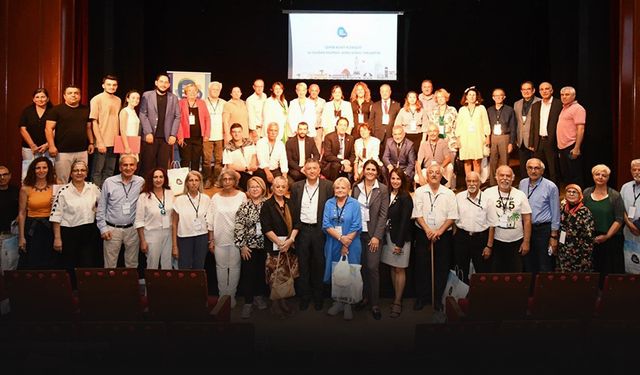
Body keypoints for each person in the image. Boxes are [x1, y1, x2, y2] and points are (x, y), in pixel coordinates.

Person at [411, 163, 457, 311]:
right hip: (423, 233)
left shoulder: (449, 193)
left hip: (443, 235)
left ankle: (438, 298)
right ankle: (421, 298)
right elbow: (417, 213)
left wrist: (439, 231)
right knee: (421, 266)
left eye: (437, 172)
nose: (434, 175)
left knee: (441, 267)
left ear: (441, 175)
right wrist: (428, 230)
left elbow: (452, 216)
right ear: (426, 175)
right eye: (431, 172)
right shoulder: (419, 191)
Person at [290, 158, 334, 311]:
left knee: (319, 265)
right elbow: (293, 211)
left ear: (319, 170)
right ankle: (304, 297)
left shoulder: (328, 186)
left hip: (319, 231)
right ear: (304, 170)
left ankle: (318, 297)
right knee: (303, 265)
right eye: (309, 168)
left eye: (315, 168)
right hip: (302, 230)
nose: (312, 171)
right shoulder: (296, 187)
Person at [50, 160, 100, 284]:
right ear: (71, 173)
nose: (79, 173)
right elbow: (56, 216)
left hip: (89, 232)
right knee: (70, 265)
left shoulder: (93, 188)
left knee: (87, 264)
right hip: (69, 233)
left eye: (82, 170)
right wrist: (57, 238)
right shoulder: (63, 191)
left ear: (87, 173)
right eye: (76, 170)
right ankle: (71, 293)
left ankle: (86, 292)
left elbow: (103, 206)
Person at [352, 160, 388, 320]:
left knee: (373, 268)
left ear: (377, 172)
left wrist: (376, 237)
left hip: (373, 236)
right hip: (357, 235)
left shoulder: (382, 189)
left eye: (373, 169)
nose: (370, 172)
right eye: (368, 169)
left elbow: (383, 215)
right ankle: (364, 298)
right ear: (364, 170)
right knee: (362, 268)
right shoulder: (355, 187)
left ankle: (374, 304)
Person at [323, 177, 362, 320]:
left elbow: (357, 225)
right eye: (337, 188)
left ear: (349, 190)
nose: (340, 190)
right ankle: (338, 302)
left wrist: (346, 243)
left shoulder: (355, 204)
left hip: (352, 243)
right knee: (336, 272)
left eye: (343, 188)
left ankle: (348, 305)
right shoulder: (329, 203)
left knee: (349, 272)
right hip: (333, 243)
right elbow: (326, 224)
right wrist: (340, 239)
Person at [96, 154, 145, 268]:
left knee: (132, 263)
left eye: (131, 165)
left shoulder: (141, 182)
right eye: (125, 165)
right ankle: (110, 286)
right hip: (112, 230)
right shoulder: (109, 182)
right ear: (120, 167)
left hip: (133, 230)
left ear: (136, 167)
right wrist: (103, 228)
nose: (128, 168)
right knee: (110, 264)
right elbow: (101, 207)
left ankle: (130, 286)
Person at [260, 175, 299, 318]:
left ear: (286, 188)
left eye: (283, 186)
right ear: (272, 188)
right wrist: (279, 242)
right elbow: (266, 227)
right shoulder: (267, 205)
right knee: (275, 276)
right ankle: (275, 306)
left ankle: (283, 303)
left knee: (286, 276)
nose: (280, 189)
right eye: (278, 186)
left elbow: (297, 223)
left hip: (289, 246)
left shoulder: (290, 203)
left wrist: (290, 240)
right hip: (274, 247)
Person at [208, 170, 247, 306]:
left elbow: (245, 219)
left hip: (237, 239)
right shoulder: (215, 197)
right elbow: (210, 220)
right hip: (219, 238)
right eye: (224, 179)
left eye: (230, 179)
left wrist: (243, 241)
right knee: (221, 267)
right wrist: (211, 240)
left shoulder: (242, 196)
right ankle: (222, 296)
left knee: (235, 267)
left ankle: (231, 296)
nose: (227, 181)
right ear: (221, 181)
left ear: (235, 181)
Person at [485, 165, 532, 273]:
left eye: (508, 176)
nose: (505, 178)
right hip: (496, 242)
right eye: (502, 175)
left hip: (516, 241)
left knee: (516, 274)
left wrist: (526, 242)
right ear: (496, 177)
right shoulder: (488, 193)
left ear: (513, 178)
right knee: (496, 274)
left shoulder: (520, 195)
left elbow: (527, 220)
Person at [234, 176, 269, 319]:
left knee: (262, 273)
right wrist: (242, 246)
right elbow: (238, 226)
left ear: (263, 188)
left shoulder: (268, 204)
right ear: (248, 190)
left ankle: (259, 297)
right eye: (252, 187)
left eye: (257, 186)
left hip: (265, 246)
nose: (255, 189)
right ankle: (248, 302)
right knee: (248, 274)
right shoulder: (244, 206)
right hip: (249, 247)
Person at [45, 85, 95, 184]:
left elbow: (88, 127)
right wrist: (51, 146)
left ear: (80, 96)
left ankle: (79, 199)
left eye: (76, 93)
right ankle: (61, 199)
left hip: (82, 151)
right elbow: (48, 129)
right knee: (61, 180)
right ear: (64, 96)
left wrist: (91, 143)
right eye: (70, 93)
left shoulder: (86, 110)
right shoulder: (56, 110)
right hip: (63, 152)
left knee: (81, 179)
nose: (73, 95)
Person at [583, 164, 625, 281]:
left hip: (611, 239)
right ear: (593, 176)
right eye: (597, 174)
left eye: (604, 175)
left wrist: (606, 236)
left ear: (608, 178)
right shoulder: (586, 193)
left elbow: (619, 219)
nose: (600, 177)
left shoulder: (615, 196)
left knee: (608, 272)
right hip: (590, 238)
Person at [518, 158, 560, 274]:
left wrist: (554, 236)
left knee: (544, 263)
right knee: (528, 262)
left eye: (537, 168)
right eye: (530, 168)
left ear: (542, 171)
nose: (533, 171)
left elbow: (556, 212)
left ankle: (544, 290)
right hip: (526, 229)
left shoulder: (551, 186)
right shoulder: (522, 183)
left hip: (543, 230)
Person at [382, 168, 413, 318]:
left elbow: (405, 223)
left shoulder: (406, 197)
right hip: (388, 237)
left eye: (398, 179)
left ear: (403, 181)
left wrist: (399, 244)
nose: (395, 181)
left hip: (400, 239)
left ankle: (398, 302)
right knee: (392, 268)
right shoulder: (386, 194)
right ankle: (395, 296)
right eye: (393, 178)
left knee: (400, 269)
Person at [139, 73, 181, 178]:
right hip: (150, 137)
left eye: (166, 82)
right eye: (161, 81)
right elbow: (143, 114)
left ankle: (161, 189)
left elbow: (177, 116)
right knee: (148, 166)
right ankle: (147, 190)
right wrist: (148, 132)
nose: (164, 84)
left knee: (162, 167)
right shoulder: (147, 95)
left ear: (169, 84)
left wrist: (173, 134)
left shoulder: (173, 98)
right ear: (156, 83)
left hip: (166, 138)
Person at [17, 157, 56, 269]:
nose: (41, 170)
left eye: (44, 167)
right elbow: (22, 213)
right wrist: (21, 237)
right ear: (33, 170)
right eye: (38, 168)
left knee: (50, 260)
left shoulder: (55, 186)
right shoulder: (25, 189)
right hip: (31, 229)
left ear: (49, 169)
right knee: (32, 261)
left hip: (50, 226)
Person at [454, 171, 492, 283]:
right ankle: (461, 298)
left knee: (482, 271)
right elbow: (453, 218)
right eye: (469, 181)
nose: (472, 184)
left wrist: (489, 246)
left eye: (474, 181)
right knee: (461, 270)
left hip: (480, 239)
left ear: (479, 182)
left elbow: (492, 224)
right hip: (462, 237)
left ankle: (481, 298)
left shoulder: (487, 199)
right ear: (465, 182)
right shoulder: (459, 197)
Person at [135, 167, 174, 270]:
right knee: (152, 264)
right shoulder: (143, 196)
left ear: (164, 179)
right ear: (151, 179)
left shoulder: (170, 193)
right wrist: (142, 240)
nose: (158, 180)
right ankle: (151, 286)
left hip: (168, 233)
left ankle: (166, 285)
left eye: (161, 177)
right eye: (155, 177)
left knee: (167, 263)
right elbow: (139, 221)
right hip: (152, 234)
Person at [172, 170, 211, 270]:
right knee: (184, 266)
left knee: (199, 266)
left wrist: (211, 240)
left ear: (200, 182)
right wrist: (175, 246)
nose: (194, 183)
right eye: (191, 180)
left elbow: (210, 222)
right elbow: (174, 224)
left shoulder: (206, 199)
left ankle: (197, 286)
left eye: (196, 180)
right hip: (184, 237)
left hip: (202, 237)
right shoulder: (179, 200)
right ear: (186, 183)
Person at [90, 74, 121, 187]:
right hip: (101, 142)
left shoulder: (118, 100)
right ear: (103, 85)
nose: (111, 87)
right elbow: (94, 122)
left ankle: (106, 194)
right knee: (97, 171)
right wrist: (99, 141)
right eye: (109, 84)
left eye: (114, 85)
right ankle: (97, 196)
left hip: (114, 142)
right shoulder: (96, 99)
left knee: (110, 170)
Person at [557, 184, 595, 272]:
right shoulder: (562, 208)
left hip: (580, 253)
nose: (571, 194)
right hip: (563, 251)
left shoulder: (585, 211)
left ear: (580, 195)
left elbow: (589, 236)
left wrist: (586, 255)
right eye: (569, 192)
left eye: (574, 192)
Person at [530, 82, 562, 184]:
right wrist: (531, 142)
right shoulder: (535, 105)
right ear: (539, 91)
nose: (544, 91)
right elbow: (533, 125)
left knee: (553, 170)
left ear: (551, 90)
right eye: (542, 89)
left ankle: (554, 194)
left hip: (552, 141)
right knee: (539, 169)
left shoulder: (558, 104)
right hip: (539, 141)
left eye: (547, 89)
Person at [455, 87, 490, 177]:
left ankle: (476, 183)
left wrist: (488, 137)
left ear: (477, 97)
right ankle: (469, 183)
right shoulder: (462, 110)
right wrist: (458, 139)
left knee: (477, 162)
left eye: (474, 95)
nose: (472, 97)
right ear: (466, 97)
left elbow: (486, 123)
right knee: (467, 162)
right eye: (470, 95)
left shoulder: (481, 108)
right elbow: (458, 125)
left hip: (478, 138)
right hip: (465, 139)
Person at [19, 88, 53, 177]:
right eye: (37, 97)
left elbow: (56, 129)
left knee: (48, 173)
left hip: (48, 148)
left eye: (43, 97)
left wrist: (47, 144)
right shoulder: (27, 111)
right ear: (33, 99)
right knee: (28, 173)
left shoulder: (53, 111)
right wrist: (32, 145)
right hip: (29, 148)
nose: (40, 99)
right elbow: (22, 129)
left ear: (48, 99)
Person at [177, 83, 210, 173]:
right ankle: (184, 182)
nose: (192, 93)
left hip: (198, 137)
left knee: (196, 160)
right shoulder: (181, 103)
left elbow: (207, 119)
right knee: (185, 160)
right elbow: (177, 120)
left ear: (197, 92)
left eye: (194, 90)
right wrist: (180, 136)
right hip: (185, 138)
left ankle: (195, 182)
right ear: (186, 93)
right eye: (189, 91)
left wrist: (207, 134)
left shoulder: (201, 103)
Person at [557, 86, 586, 187]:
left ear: (574, 96)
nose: (564, 97)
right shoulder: (564, 108)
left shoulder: (578, 108)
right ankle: (570, 200)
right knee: (567, 175)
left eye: (567, 94)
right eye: (562, 95)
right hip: (562, 147)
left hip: (572, 146)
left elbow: (580, 129)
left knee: (575, 176)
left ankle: (579, 201)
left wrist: (576, 148)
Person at [487, 88, 516, 186]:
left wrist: (511, 142)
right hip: (493, 137)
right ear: (493, 97)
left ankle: (505, 183)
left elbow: (513, 127)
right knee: (492, 162)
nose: (498, 97)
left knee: (504, 161)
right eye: (496, 96)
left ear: (504, 97)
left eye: (500, 95)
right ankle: (492, 184)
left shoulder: (509, 110)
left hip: (505, 137)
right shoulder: (489, 110)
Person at [514, 81, 541, 179]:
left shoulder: (540, 102)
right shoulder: (517, 104)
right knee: (523, 167)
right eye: (524, 89)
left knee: (536, 166)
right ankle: (525, 187)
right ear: (521, 91)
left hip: (534, 140)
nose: (526, 91)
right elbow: (516, 122)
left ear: (533, 90)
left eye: (528, 89)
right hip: (521, 140)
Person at [203, 81, 226, 188]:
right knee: (206, 160)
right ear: (209, 90)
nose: (215, 91)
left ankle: (217, 179)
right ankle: (207, 179)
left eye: (217, 89)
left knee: (219, 160)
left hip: (220, 136)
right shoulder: (203, 102)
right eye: (213, 89)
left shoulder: (224, 103)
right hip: (207, 136)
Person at [222, 123, 258, 191]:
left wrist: (252, 166)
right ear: (230, 133)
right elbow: (230, 166)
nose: (236, 134)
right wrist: (247, 168)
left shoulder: (249, 142)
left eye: (239, 132)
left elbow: (254, 155)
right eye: (234, 132)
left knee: (260, 174)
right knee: (245, 180)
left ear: (242, 132)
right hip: (239, 171)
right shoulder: (228, 147)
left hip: (251, 169)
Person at [620, 159, 640, 273]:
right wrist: (628, 223)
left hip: (639, 230)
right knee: (630, 265)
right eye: (634, 169)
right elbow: (620, 208)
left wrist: (636, 226)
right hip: (629, 232)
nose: (637, 172)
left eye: (639, 169)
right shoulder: (626, 187)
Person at [321, 117, 355, 181]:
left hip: (346, 164)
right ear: (336, 126)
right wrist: (342, 162)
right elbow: (328, 155)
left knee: (354, 167)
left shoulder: (350, 138)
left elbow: (353, 155)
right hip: (331, 164)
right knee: (336, 166)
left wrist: (349, 162)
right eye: (341, 125)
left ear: (347, 127)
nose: (343, 127)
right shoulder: (329, 137)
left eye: (345, 125)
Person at [369, 84, 401, 152]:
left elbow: (399, 121)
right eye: (382, 91)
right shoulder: (375, 105)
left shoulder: (396, 105)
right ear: (380, 92)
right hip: (377, 135)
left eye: (386, 91)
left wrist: (396, 133)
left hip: (391, 135)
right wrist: (373, 133)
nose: (384, 93)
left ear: (390, 92)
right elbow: (371, 121)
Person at [255, 122, 288, 187]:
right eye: (271, 130)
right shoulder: (260, 142)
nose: (273, 133)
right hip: (263, 170)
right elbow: (261, 159)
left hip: (275, 170)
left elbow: (283, 160)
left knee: (283, 184)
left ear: (278, 132)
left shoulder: (280, 144)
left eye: (275, 131)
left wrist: (284, 175)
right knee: (263, 185)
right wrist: (268, 173)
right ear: (267, 131)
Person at [394, 91, 424, 157]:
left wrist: (423, 140)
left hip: (418, 136)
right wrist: (399, 137)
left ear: (417, 99)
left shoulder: (421, 110)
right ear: (407, 99)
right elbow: (397, 125)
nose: (412, 99)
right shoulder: (402, 110)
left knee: (417, 155)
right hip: (406, 135)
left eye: (414, 97)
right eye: (410, 97)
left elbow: (425, 126)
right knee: (406, 155)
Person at [118, 90, 141, 159]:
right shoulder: (124, 111)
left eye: (138, 98)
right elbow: (122, 130)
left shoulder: (134, 111)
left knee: (133, 166)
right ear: (127, 99)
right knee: (126, 165)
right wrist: (126, 147)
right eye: (133, 98)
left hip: (134, 143)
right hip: (127, 143)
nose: (136, 100)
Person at [0, 166, 19, 233]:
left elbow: (23, 208)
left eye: (5, 174)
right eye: (0, 175)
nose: (2, 178)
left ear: (9, 176)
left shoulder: (17, 191)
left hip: (12, 232)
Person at [308, 83, 326, 152]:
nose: (314, 92)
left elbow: (324, 116)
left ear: (319, 91)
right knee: (308, 149)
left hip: (318, 129)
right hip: (308, 130)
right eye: (312, 90)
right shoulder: (306, 101)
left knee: (318, 150)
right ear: (309, 91)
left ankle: (317, 162)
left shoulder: (323, 101)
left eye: (316, 90)